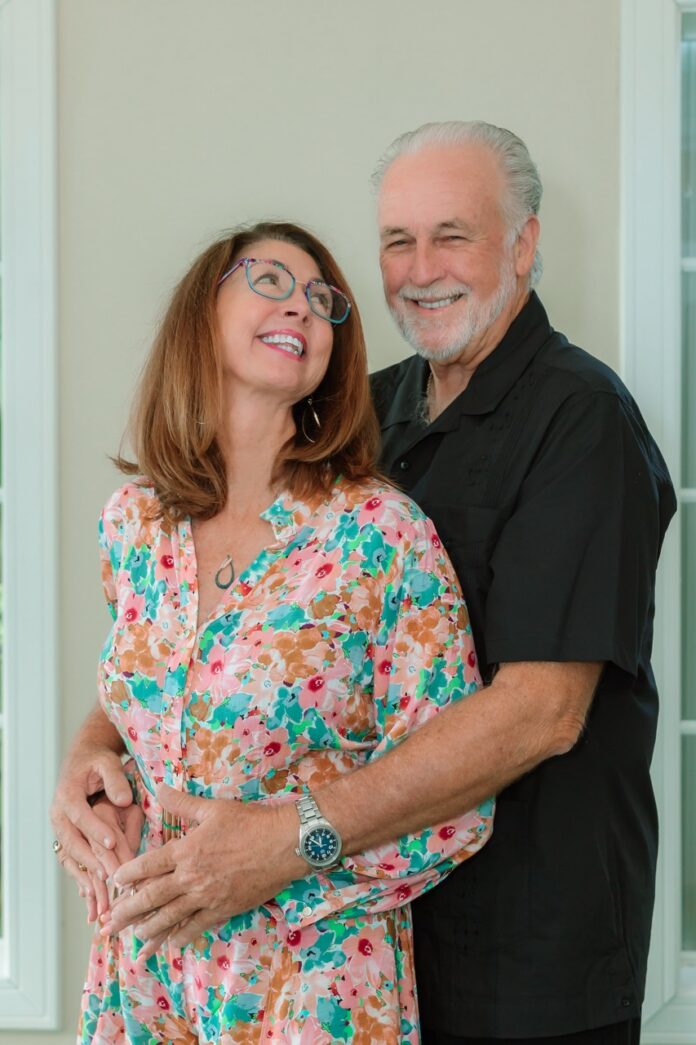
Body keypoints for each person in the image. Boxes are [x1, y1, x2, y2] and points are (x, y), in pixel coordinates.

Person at [53, 122, 675, 1044]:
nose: (421, 267)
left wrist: (282, 838)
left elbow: (544, 707)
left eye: (453, 234)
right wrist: (92, 750)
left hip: (525, 956)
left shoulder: (580, 420)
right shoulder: (359, 418)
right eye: (396, 241)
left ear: (525, 244)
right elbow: (192, 642)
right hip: (302, 945)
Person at [54, 218, 493, 1044]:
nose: (305, 306)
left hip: (313, 982)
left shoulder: (381, 535)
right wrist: (89, 782)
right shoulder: (133, 525)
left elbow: (457, 803)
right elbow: (145, 707)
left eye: (325, 300)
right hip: (143, 978)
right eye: (271, 279)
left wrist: (283, 863)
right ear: (200, 312)